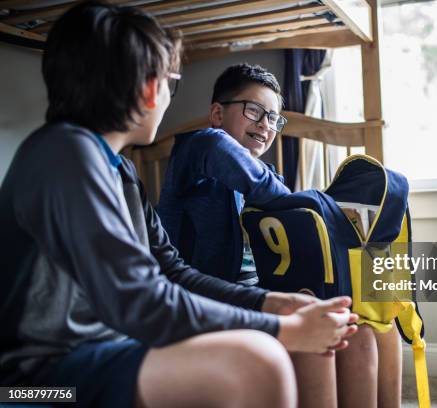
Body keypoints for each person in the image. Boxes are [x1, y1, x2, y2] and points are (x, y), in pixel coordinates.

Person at [0, 2, 358, 408]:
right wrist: (281, 328)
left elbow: (171, 270)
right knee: (257, 362)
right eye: (172, 81)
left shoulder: (118, 170)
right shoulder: (66, 154)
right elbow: (143, 300)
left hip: (99, 354)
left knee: (278, 347)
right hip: (37, 381)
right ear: (152, 87)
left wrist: (269, 302)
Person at [157, 63, 402, 408]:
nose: (265, 125)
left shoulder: (267, 177)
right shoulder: (199, 148)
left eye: (273, 118)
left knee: (363, 328)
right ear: (216, 113)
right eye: (254, 110)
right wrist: (321, 208)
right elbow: (268, 190)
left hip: (260, 294)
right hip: (206, 300)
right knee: (315, 337)